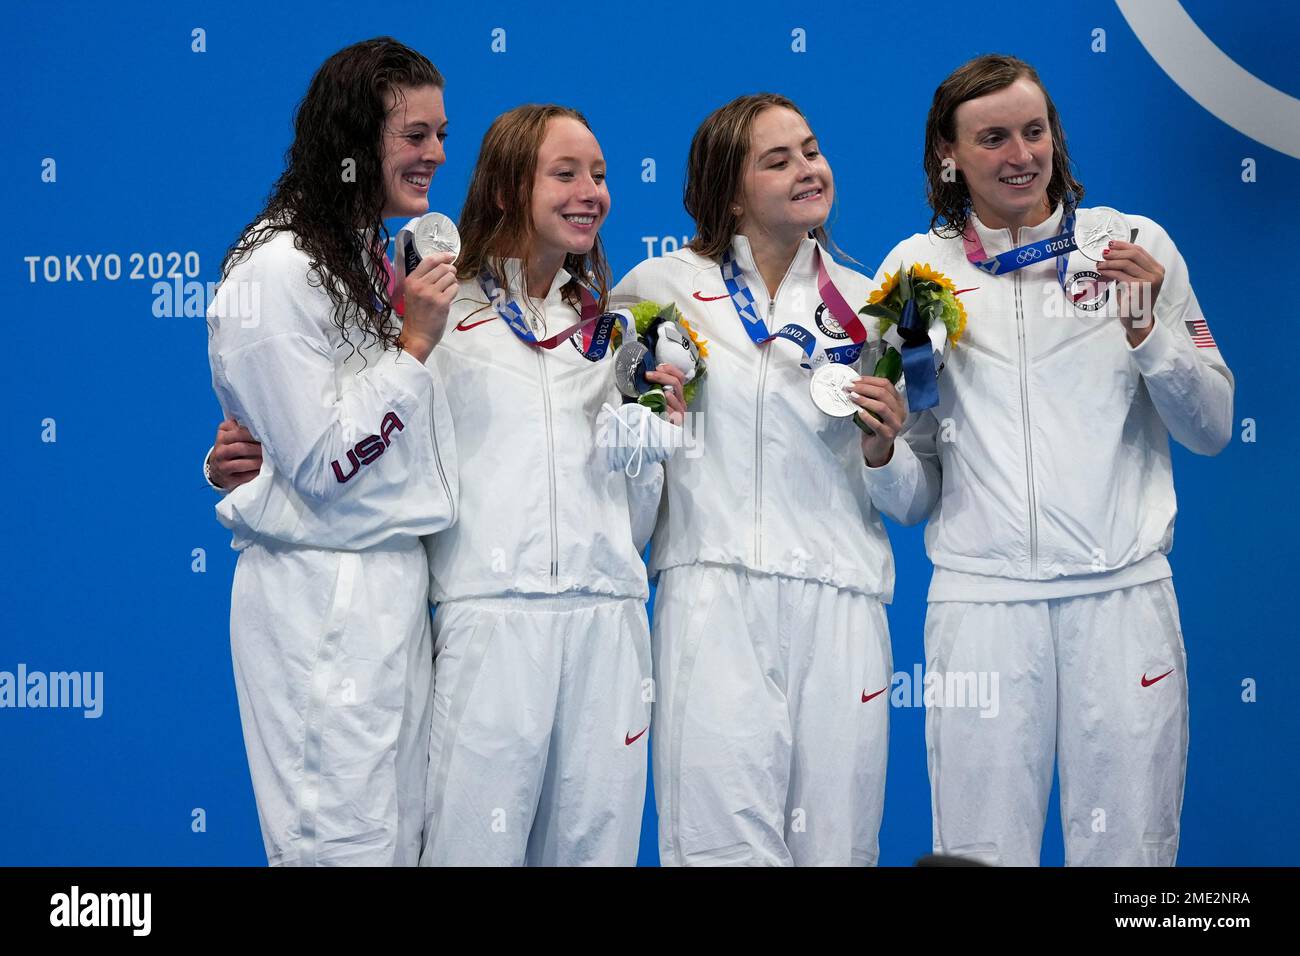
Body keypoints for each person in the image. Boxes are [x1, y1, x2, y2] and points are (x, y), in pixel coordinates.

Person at [856, 54, 1234, 866]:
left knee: (1132, 857)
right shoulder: (913, 278)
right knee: (980, 854)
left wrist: (1146, 332)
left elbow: (1212, 427)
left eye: (1035, 132)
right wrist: (880, 450)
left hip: (1123, 598)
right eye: (993, 138)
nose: (1021, 155)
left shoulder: (1133, 247)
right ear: (946, 156)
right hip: (982, 608)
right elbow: (913, 496)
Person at [611, 94, 896, 866]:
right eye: (779, 160)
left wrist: (885, 451)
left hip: (840, 600)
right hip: (713, 595)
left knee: (838, 851)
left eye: (810, 149)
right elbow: (616, 457)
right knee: (718, 848)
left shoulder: (867, 307)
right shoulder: (654, 291)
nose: (809, 168)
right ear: (731, 192)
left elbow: (910, 497)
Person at [204, 37, 459, 866]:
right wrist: (413, 348)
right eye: (414, 135)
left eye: (441, 134)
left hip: (390, 584)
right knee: (336, 846)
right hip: (321, 596)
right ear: (352, 139)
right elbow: (322, 462)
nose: (436, 156)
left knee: (395, 843)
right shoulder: (276, 268)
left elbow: (314, 438)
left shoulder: (360, 256)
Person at [416, 104, 685, 867]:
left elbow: (635, 522)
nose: (590, 192)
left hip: (608, 624)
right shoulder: (441, 316)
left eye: (598, 175)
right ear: (506, 189)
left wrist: (649, 448)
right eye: (564, 174)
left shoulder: (611, 332)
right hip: (491, 624)